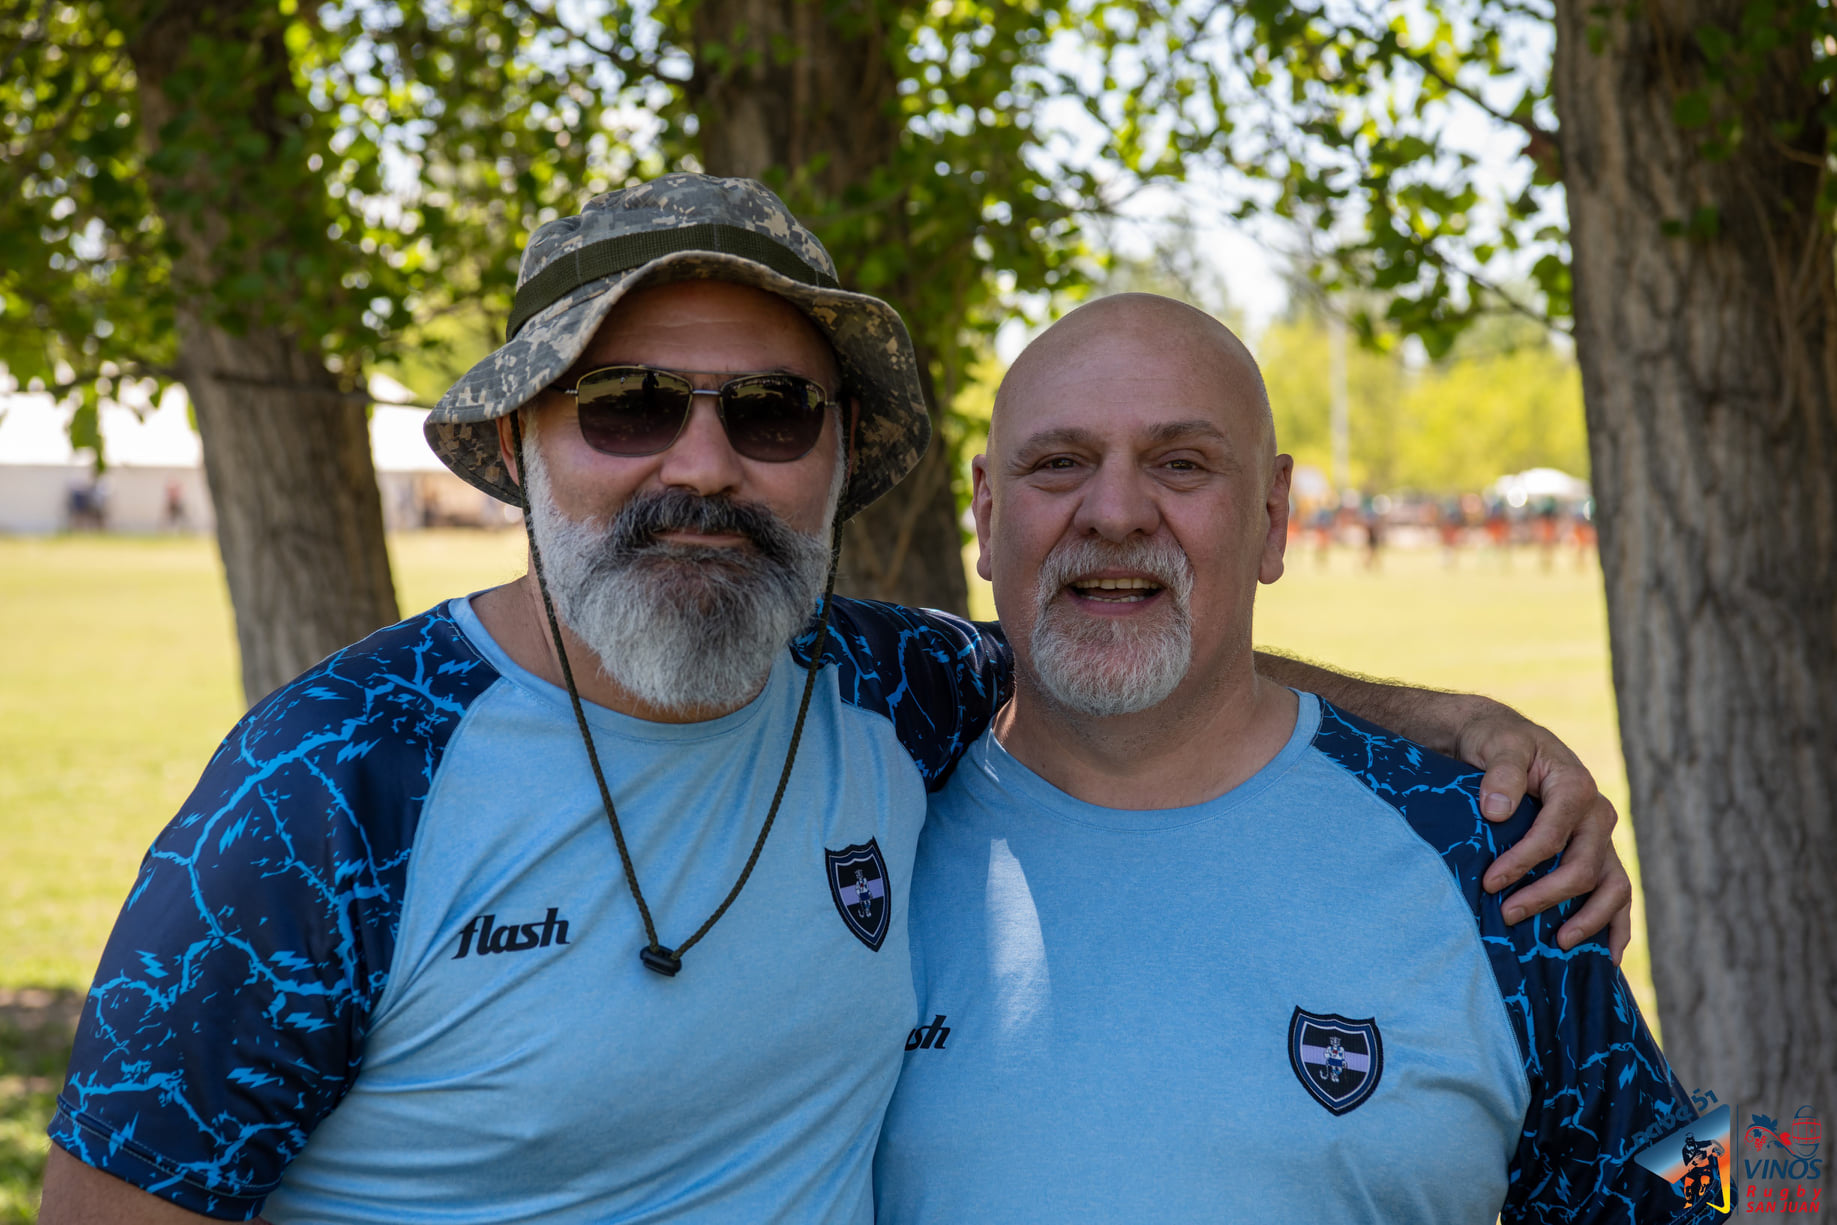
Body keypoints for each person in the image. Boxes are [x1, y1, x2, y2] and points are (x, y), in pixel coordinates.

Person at [41, 178, 1625, 1225]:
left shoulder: (881, 690)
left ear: (831, 465)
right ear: (521, 446)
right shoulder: (328, 790)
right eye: (630, 404)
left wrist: (1454, 727)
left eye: (772, 413)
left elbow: (1120, 647)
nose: (703, 462)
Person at [873, 294, 1692, 1223]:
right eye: (1059, 463)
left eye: (1180, 464)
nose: (1113, 511)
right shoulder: (862, 821)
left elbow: (1683, 1181)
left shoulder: (1487, 851)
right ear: (985, 510)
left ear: (1271, 514)